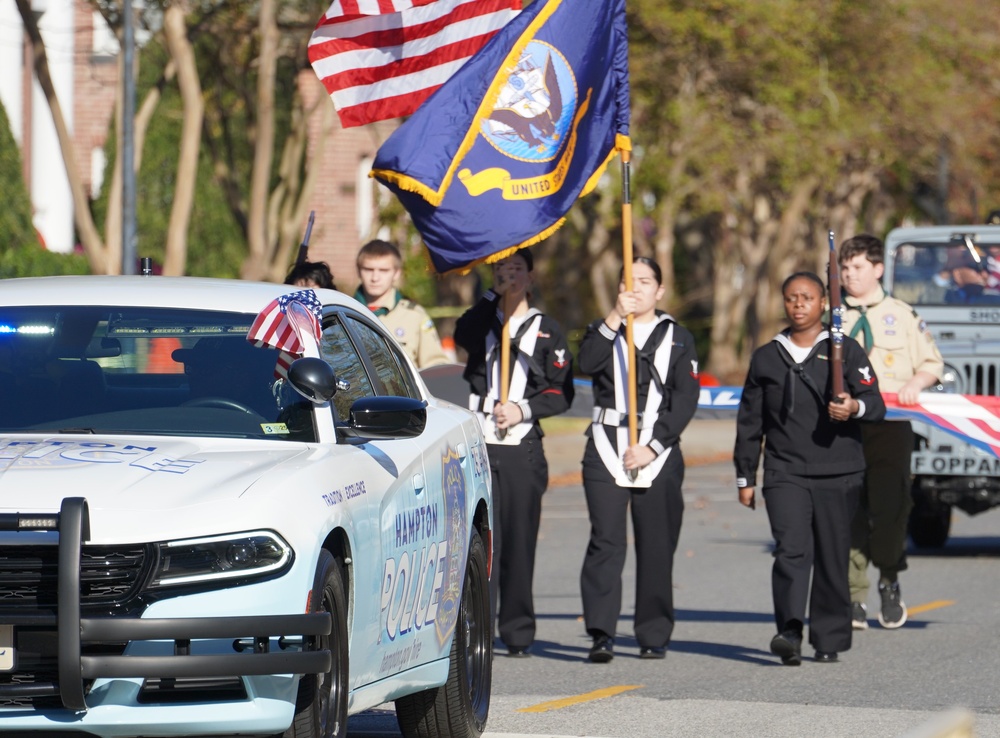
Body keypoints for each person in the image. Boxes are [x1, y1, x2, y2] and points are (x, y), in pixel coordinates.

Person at [736, 271, 886, 666]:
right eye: (790, 298)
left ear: (823, 304)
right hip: (785, 472)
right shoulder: (767, 356)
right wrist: (745, 476)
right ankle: (788, 632)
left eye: (806, 297)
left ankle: (829, 638)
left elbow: (876, 403)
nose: (798, 304)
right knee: (791, 551)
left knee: (833, 555)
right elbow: (750, 422)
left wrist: (853, 407)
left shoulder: (845, 350)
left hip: (839, 471)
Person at [577, 256, 699, 663]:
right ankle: (601, 633)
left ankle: (653, 633)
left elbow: (685, 399)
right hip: (606, 446)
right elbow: (586, 364)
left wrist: (655, 444)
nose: (637, 288)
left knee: (656, 544)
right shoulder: (605, 329)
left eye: (646, 281)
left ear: (660, 290)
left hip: (657, 449)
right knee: (606, 541)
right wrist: (614, 316)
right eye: (629, 282)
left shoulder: (678, 338)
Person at [453, 248, 574, 657]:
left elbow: (562, 391)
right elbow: (464, 335)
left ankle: (518, 630)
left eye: (517, 269)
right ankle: (478, 628)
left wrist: (522, 408)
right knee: (484, 541)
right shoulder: (486, 321)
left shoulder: (545, 329)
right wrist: (493, 296)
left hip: (521, 443)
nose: (510, 275)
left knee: (520, 541)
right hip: (482, 440)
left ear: (531, 276)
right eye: (502, 269)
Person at [838, 234, 943, 630]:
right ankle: (853, 595)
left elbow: (933, 362)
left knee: (890, 507)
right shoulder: (833, 317)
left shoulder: (901, 314)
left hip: (890, 426)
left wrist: (918, 380)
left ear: (878, 269)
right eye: (845, 269)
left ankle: (889, 580)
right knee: (850, 509)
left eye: (858, 267)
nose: (850, 275)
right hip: (844, 426)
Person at [354, 240, 448, 368]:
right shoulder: (343, 311)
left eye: (383, 270)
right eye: (368, 269)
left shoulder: (414, 315)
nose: (375, 278)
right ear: (359, 271)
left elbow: (435, 367)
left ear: (396, 273)